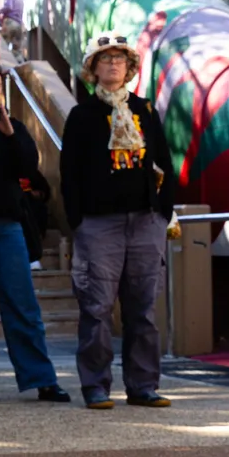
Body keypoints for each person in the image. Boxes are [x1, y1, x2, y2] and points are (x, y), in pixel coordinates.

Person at [61, 31, 177, 411]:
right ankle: (95, 385)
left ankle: (143, 385)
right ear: (93, 68)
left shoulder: (145, 111)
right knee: (95, 307)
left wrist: (162, 211)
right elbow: (70, 174)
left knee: (143, 307)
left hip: (145, 221)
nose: (113, 64)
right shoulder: (81, 115)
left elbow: (164, 164)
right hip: (98, 223)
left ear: (130, 68)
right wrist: (78, 220)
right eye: (105, 58)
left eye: (120, 59)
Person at [0, 60, 69, 405]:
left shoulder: (14, 128)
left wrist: (7, 130)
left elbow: (29, 169)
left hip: (7, 227)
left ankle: (42, 379)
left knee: (22, 305)